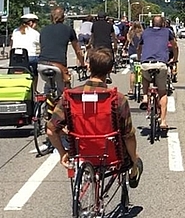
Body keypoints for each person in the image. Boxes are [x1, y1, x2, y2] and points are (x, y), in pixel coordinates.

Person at [47, 47, 143, 188]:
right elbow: (128, 135)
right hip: (110, 153)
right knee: (131, 155)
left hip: (80, 151)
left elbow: (51, 129)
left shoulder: (70, 96)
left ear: (89, 66)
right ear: (110, 70)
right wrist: (134, 157)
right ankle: (134, 170)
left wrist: (63, 153)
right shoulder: (118, 99)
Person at [137, 15, 178, 130]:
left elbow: (139, 48)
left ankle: (145, 97)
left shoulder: (145, 32)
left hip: (146, 63)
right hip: (161, 64)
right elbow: (174, 46)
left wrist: (140, 58)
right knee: (163, 92)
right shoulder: (167, 32)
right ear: (163, 23)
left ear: (152, 23)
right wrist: (174, 59)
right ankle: (163, 121)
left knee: (145, 77)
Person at [38, 6, 85, 89]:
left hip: (41, 64)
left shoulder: (43, 30)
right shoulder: (68, 29)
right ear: (63, 17)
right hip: (58, 66)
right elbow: (78, 50)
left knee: (48, 85)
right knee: (65, 89)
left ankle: (47, 98)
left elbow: (42, 48)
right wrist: (82, 64)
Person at [89, 11, 119, 82]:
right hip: (107, 45)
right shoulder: (109, 25)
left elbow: (92, 36)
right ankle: (108, 75)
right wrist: (115, 45)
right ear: (106, 18)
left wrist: (89, 44)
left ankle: (93, 75)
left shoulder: (94, 25)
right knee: (109, 60)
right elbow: (114, 36)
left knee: (95, 60)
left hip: (97, 45)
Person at [125, 21, 144, 97]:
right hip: (142, 54)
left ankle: (131, 89)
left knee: (133, 72)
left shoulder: (130, 33)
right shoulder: (143, 33)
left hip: (132, 53)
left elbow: (127, 42)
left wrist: (124, 48)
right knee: (142, 70)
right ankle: (141, 84)